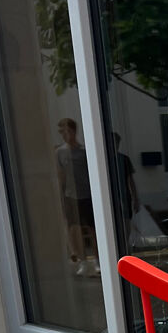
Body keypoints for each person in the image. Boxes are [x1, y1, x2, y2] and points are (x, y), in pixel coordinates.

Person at [55, 118, 99, 276]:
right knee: (74, 229)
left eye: (67, 131)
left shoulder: (84, 152)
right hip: (70, 196)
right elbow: (60, 176)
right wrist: (61, 197)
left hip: (86, 195)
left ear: (74, 131)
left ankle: (97, 261)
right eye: (61, 132)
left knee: (93, 229)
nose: (65, 135)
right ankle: (82, 261)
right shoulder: (60, 152)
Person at [114, 133, 140, 224]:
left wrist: (135, 198)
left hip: (124, 196)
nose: (115, 145)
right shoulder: (105, 160)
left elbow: (130, 180)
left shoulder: (124, 159)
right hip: (112, 197)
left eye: (117, 143)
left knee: (126, 221)